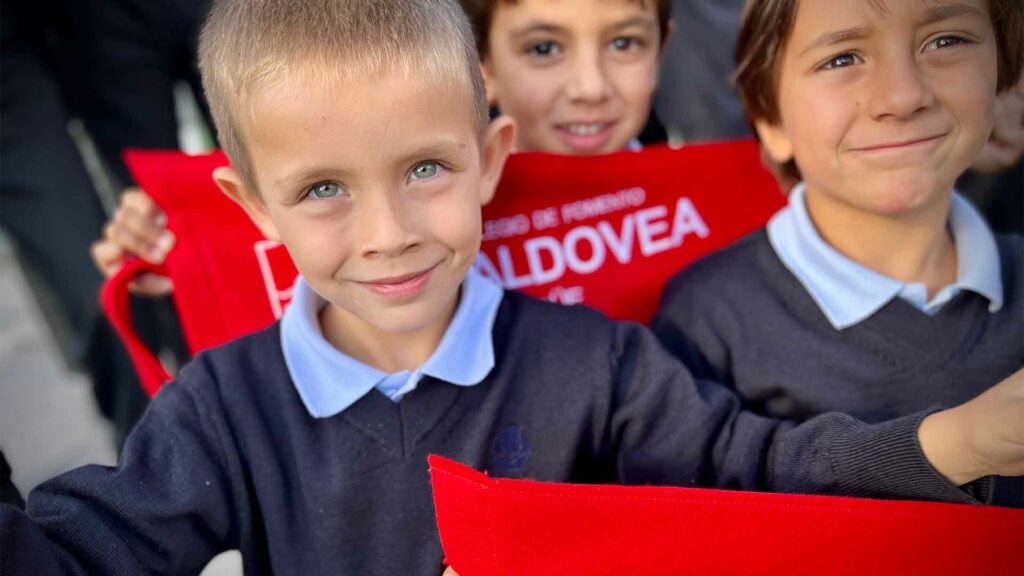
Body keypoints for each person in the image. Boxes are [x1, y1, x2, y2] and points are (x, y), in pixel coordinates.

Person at [5, 1, 1024, 574]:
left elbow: (758, 466)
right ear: (250, 205)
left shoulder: (598, 361)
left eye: (425, 170)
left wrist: (961, 438)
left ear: (490, 159)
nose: (389, 234)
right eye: (321, 189)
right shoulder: (222, 412)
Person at [653, 0, 1024, 506]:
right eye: (842, 59)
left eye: (945, 41)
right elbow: (692, 494)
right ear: (770, 121)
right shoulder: (709, 318)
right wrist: (958, 445)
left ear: (1004, 80)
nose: (903, 95)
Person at [461, 0, 670, 155]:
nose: (591, 89)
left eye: (623, 44)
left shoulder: (696, 193)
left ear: (659, 54)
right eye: (544, 49)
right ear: (481, 71)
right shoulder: (462, 210)